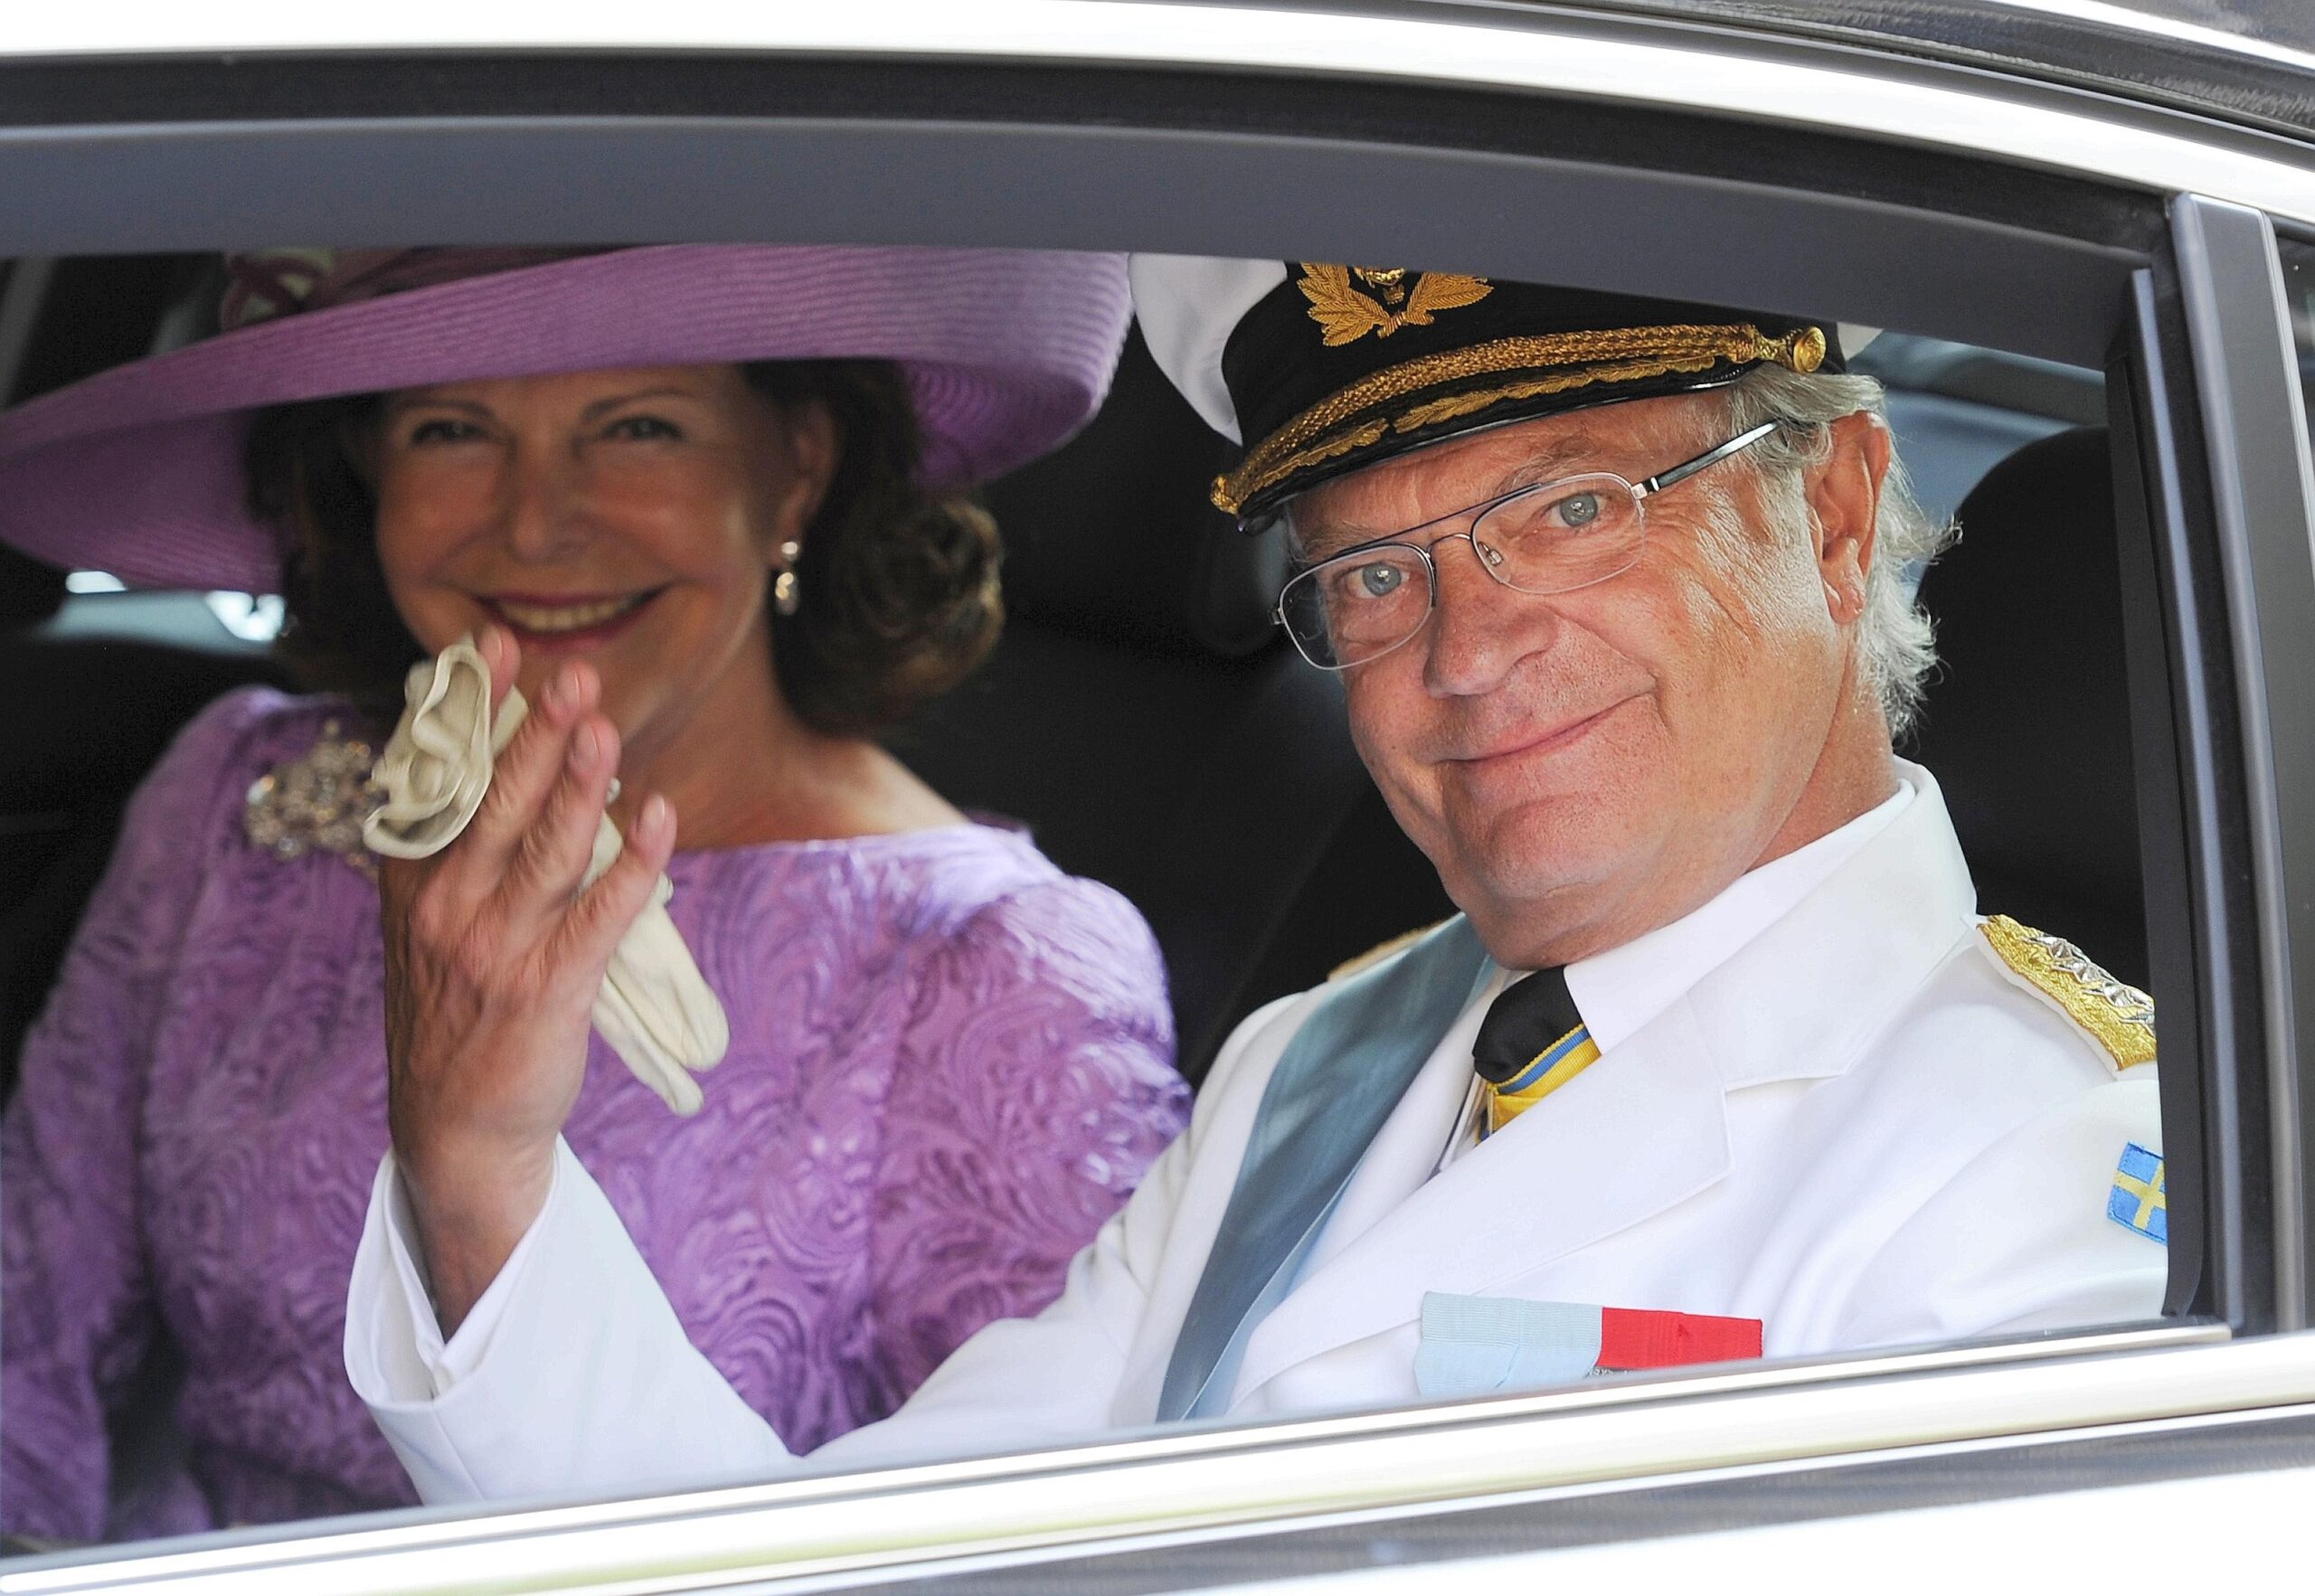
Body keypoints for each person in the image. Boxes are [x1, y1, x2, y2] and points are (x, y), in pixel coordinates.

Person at [343, 256, 2166, 1503]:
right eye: (1371, 576)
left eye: (1562, 511)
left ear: (1833, 514)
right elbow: (846, 1563)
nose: (1462, 651)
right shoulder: (1317, 1059)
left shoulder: (2044, 1167)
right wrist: (487, 1167)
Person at [0, 245, 1190, 1542]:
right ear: (367, 470)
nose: (535, 524)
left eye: (638, 426)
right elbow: (23, 1340)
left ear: (799, 461)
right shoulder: (236, 794)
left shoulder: (1003, 969)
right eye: (453, 427)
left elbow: (1028, 1554)